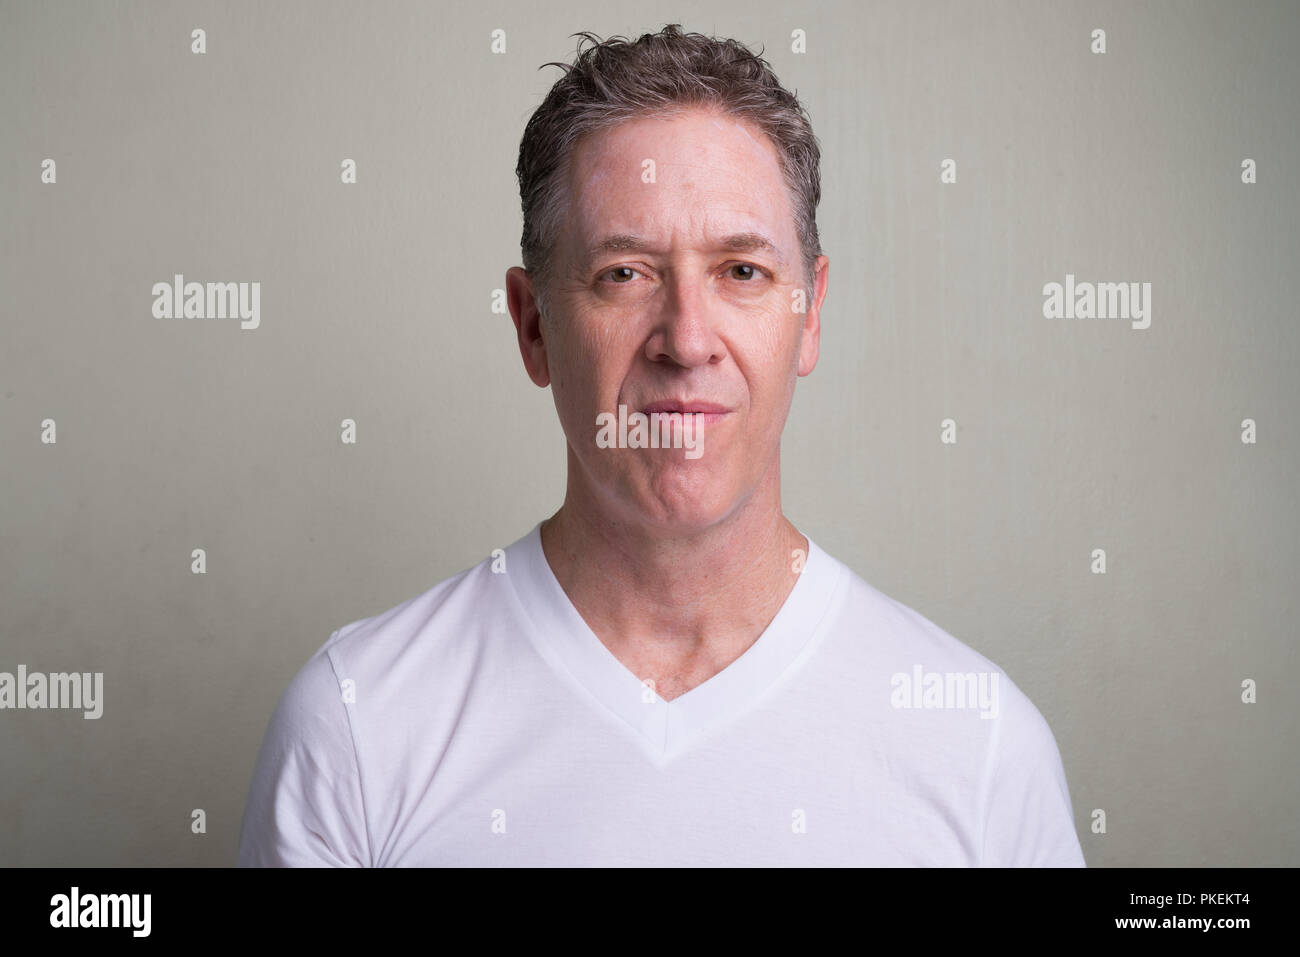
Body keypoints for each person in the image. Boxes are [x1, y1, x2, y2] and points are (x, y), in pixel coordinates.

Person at [237, 24, 1085, 867]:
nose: (686, 340)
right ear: (534, 326)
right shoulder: (356, 726)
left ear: (810, 315)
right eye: (625, 273)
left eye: (741, 272)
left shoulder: (978, 747)